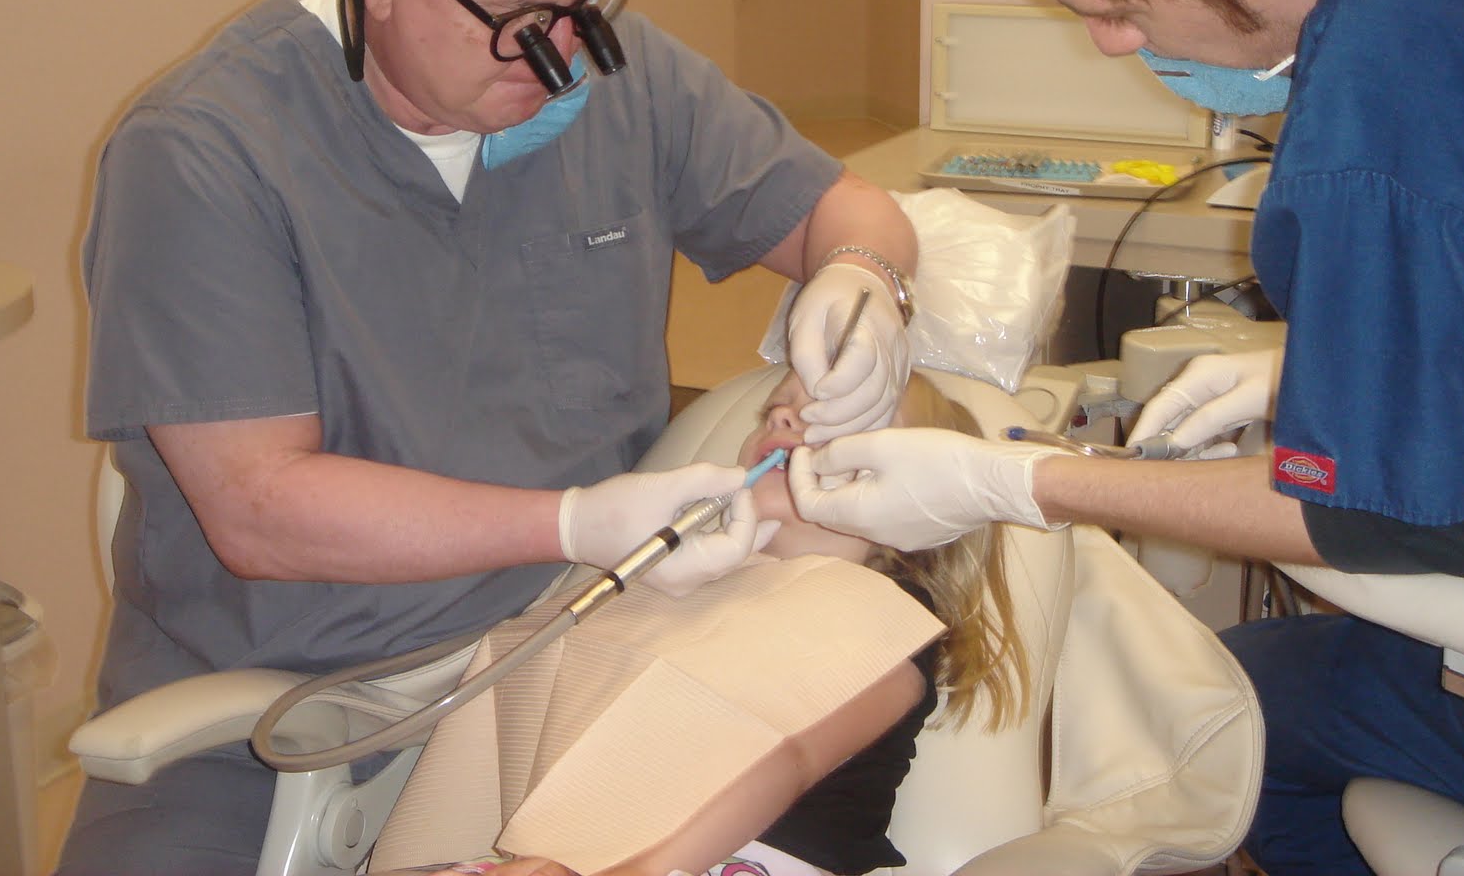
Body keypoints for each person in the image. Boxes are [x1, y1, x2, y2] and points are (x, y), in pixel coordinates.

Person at [63, 0, 918, 874]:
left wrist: (862, 277)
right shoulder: (206, 156)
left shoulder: (623, 82)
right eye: (519, 21)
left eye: (584, 2)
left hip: (576, 642)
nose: (564, 53)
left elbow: (842, 210)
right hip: (283, 702)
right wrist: (573, 522)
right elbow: (261, 511)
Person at [782, 0, 1464, 873]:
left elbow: (1367, 519)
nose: (1110, 44)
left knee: (1211, 732)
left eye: (1117, 8)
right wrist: (1308, 359)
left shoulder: (1391, 55)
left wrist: (1019, 480)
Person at [368, 369, 1026, 876]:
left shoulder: (885, 618)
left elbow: (785, 756)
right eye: (780, 408)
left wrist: (633, 868)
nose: (790, 416)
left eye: (839, 422)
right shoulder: (670, 582)